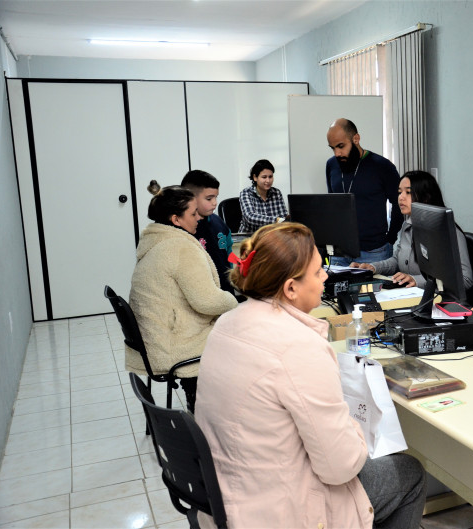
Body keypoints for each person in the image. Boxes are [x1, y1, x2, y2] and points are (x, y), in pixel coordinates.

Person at [194, 222, 426, 529]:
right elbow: (340, 468)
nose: (327, 277)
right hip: (281, 509)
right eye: (318, 272)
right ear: (291, 288)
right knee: (409, 473)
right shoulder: (298, 346)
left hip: (228, 495)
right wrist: (356, 428)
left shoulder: (226, 323)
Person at [127, 181, 237, 413]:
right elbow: (208, 301)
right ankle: (216, 411)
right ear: (176, 219)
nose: (199, 218)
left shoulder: (158, 242)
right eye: (193, 213)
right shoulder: (180, 247)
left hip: (157, 338)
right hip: (173, 344)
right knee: (243, 337)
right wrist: (234, 302)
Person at [351, 170, 473, 292]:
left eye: (408, 192)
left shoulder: (448, 232)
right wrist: (372, 267)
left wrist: (417, 281)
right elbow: (396, 261)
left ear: (426, 197)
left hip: (440, 303)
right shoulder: (408, 226)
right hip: (412, 297)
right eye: (400, 192)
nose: (401, 197)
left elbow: (466, 279)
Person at [326, 118, 403, 265]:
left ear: (356, 138)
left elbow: (398, 204)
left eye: (341, 146)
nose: (337, 153)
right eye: (333, 148)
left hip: (374, 252)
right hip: (339, 252)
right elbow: (332, 203)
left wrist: (390, 238)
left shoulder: (382, 166)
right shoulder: (331, 165)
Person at [180, 169, 235, 294]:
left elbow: (228, 251)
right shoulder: (183, 228)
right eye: (209, 199)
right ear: (189, 198)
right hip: (200, 292)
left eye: (216, 197)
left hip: (225, 290)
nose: (215, 203)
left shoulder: (219, 223)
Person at [238, 159, 288, 233]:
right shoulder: (246, 193)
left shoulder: (276, 193)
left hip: (270, 237)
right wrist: (276, 220)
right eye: (264, 177)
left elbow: (283, 217)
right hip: (250, 237)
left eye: (270, 177)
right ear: (255, 177)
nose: (268, 181)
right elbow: (250, 217)